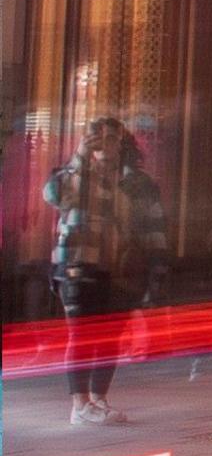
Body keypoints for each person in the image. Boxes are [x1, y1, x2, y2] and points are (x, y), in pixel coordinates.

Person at [50, 122, 141, 425]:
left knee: (109, 336)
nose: (106, 148)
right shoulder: (75, 177)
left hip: (111, 269)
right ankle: (80, 405)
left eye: (112, 141)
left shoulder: (126, 182)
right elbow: (51, 193)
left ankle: (99, 401)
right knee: (81, 335)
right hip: (76, 267)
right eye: (99, 141)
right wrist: (78, 156)